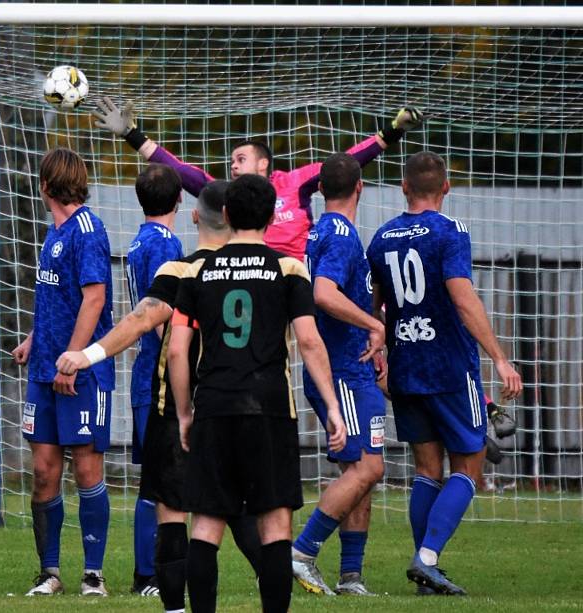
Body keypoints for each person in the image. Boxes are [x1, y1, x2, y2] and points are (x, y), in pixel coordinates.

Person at [57, 181, 263, 613]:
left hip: (176, 404)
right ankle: (274, 579)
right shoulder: (270, 273)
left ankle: (169, 603)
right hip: (237, 406)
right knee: (236, 507)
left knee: (170, 507)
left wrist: (87, 354)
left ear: (196, 217)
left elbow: (140, 320)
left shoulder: (179, 269)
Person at [167, 174, 347, 613]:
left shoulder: (196, 270)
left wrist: (185, 412)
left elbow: (176, 348)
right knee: (275, 522)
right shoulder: (288, 269)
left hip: (214, 405)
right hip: (268, 407)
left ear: (226, 215)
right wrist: (332, 406)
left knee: (206, 522)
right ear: (271, 217)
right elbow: (309, 341)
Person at [366, 151, 522, 595]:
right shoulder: (450, 232)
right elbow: (462, 297)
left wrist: (378, 347)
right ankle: (428, 557)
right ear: (446, 188)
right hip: (450, 367)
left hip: (406, 366)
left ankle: (425, 572)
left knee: (426, 469)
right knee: (469, 467)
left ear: (403, 187)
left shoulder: (381, 237)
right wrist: (499, 357)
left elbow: (374, 307)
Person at [93, 97, 423, 260]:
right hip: (249, 276)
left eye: (241, 159)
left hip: (298, 278)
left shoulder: (294, 182)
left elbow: (345, 164)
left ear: (263, 163)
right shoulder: (228, 193)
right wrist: (132, 135)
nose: (233, 167)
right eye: (231, 162)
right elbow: (181, 171)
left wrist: (391, 132)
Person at [11, 148, 114, 597]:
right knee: (44, 470)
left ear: (46, 185)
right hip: (43, 370)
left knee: (87, 468)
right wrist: (35, 339)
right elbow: (58, 298)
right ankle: (49, 572)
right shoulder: (53, 233)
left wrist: (73, 358)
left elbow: (94, 299)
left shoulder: (87, 231)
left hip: (81, 372)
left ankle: (93, 575)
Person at [291, 153, 387, 597]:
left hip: (355, 367)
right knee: (369, 467)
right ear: (360, 189)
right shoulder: (341, 235)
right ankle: (303, 551)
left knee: (360, 469)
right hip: (343, 370)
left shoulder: (324, 231)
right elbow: (323, 294)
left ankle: (352, 577)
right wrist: (373, 325)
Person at [126, 163, 184, 596]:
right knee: (160, 479)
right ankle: (149, 574)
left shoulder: (137, 241)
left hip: (143, 371)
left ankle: (146, 572)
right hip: (158, 375)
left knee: (155, 477)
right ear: (180, 200)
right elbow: (163, 315)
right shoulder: (166, 244)